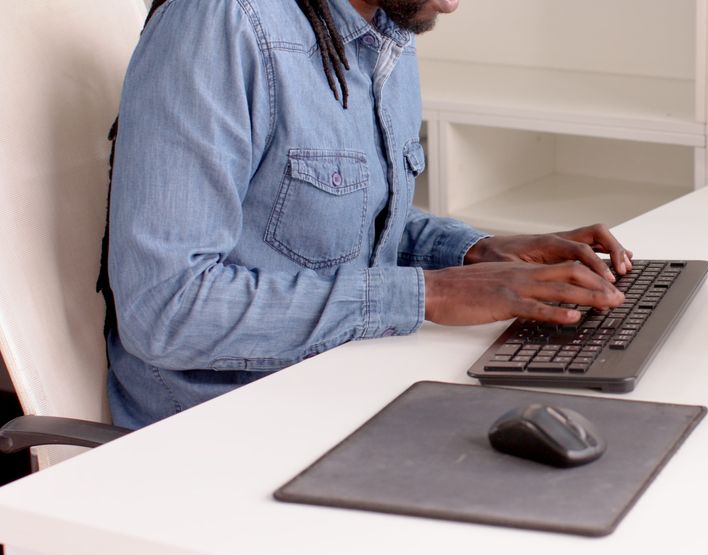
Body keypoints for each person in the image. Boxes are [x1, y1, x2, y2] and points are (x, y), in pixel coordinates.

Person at [100, 0, 632, 429]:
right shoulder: (221, 22)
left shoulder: (383, 27)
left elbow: (341, 216)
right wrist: (434, 293)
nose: (452, 6)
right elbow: (166, 311)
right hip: (218, 423)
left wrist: (476, 252)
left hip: (342, 376)